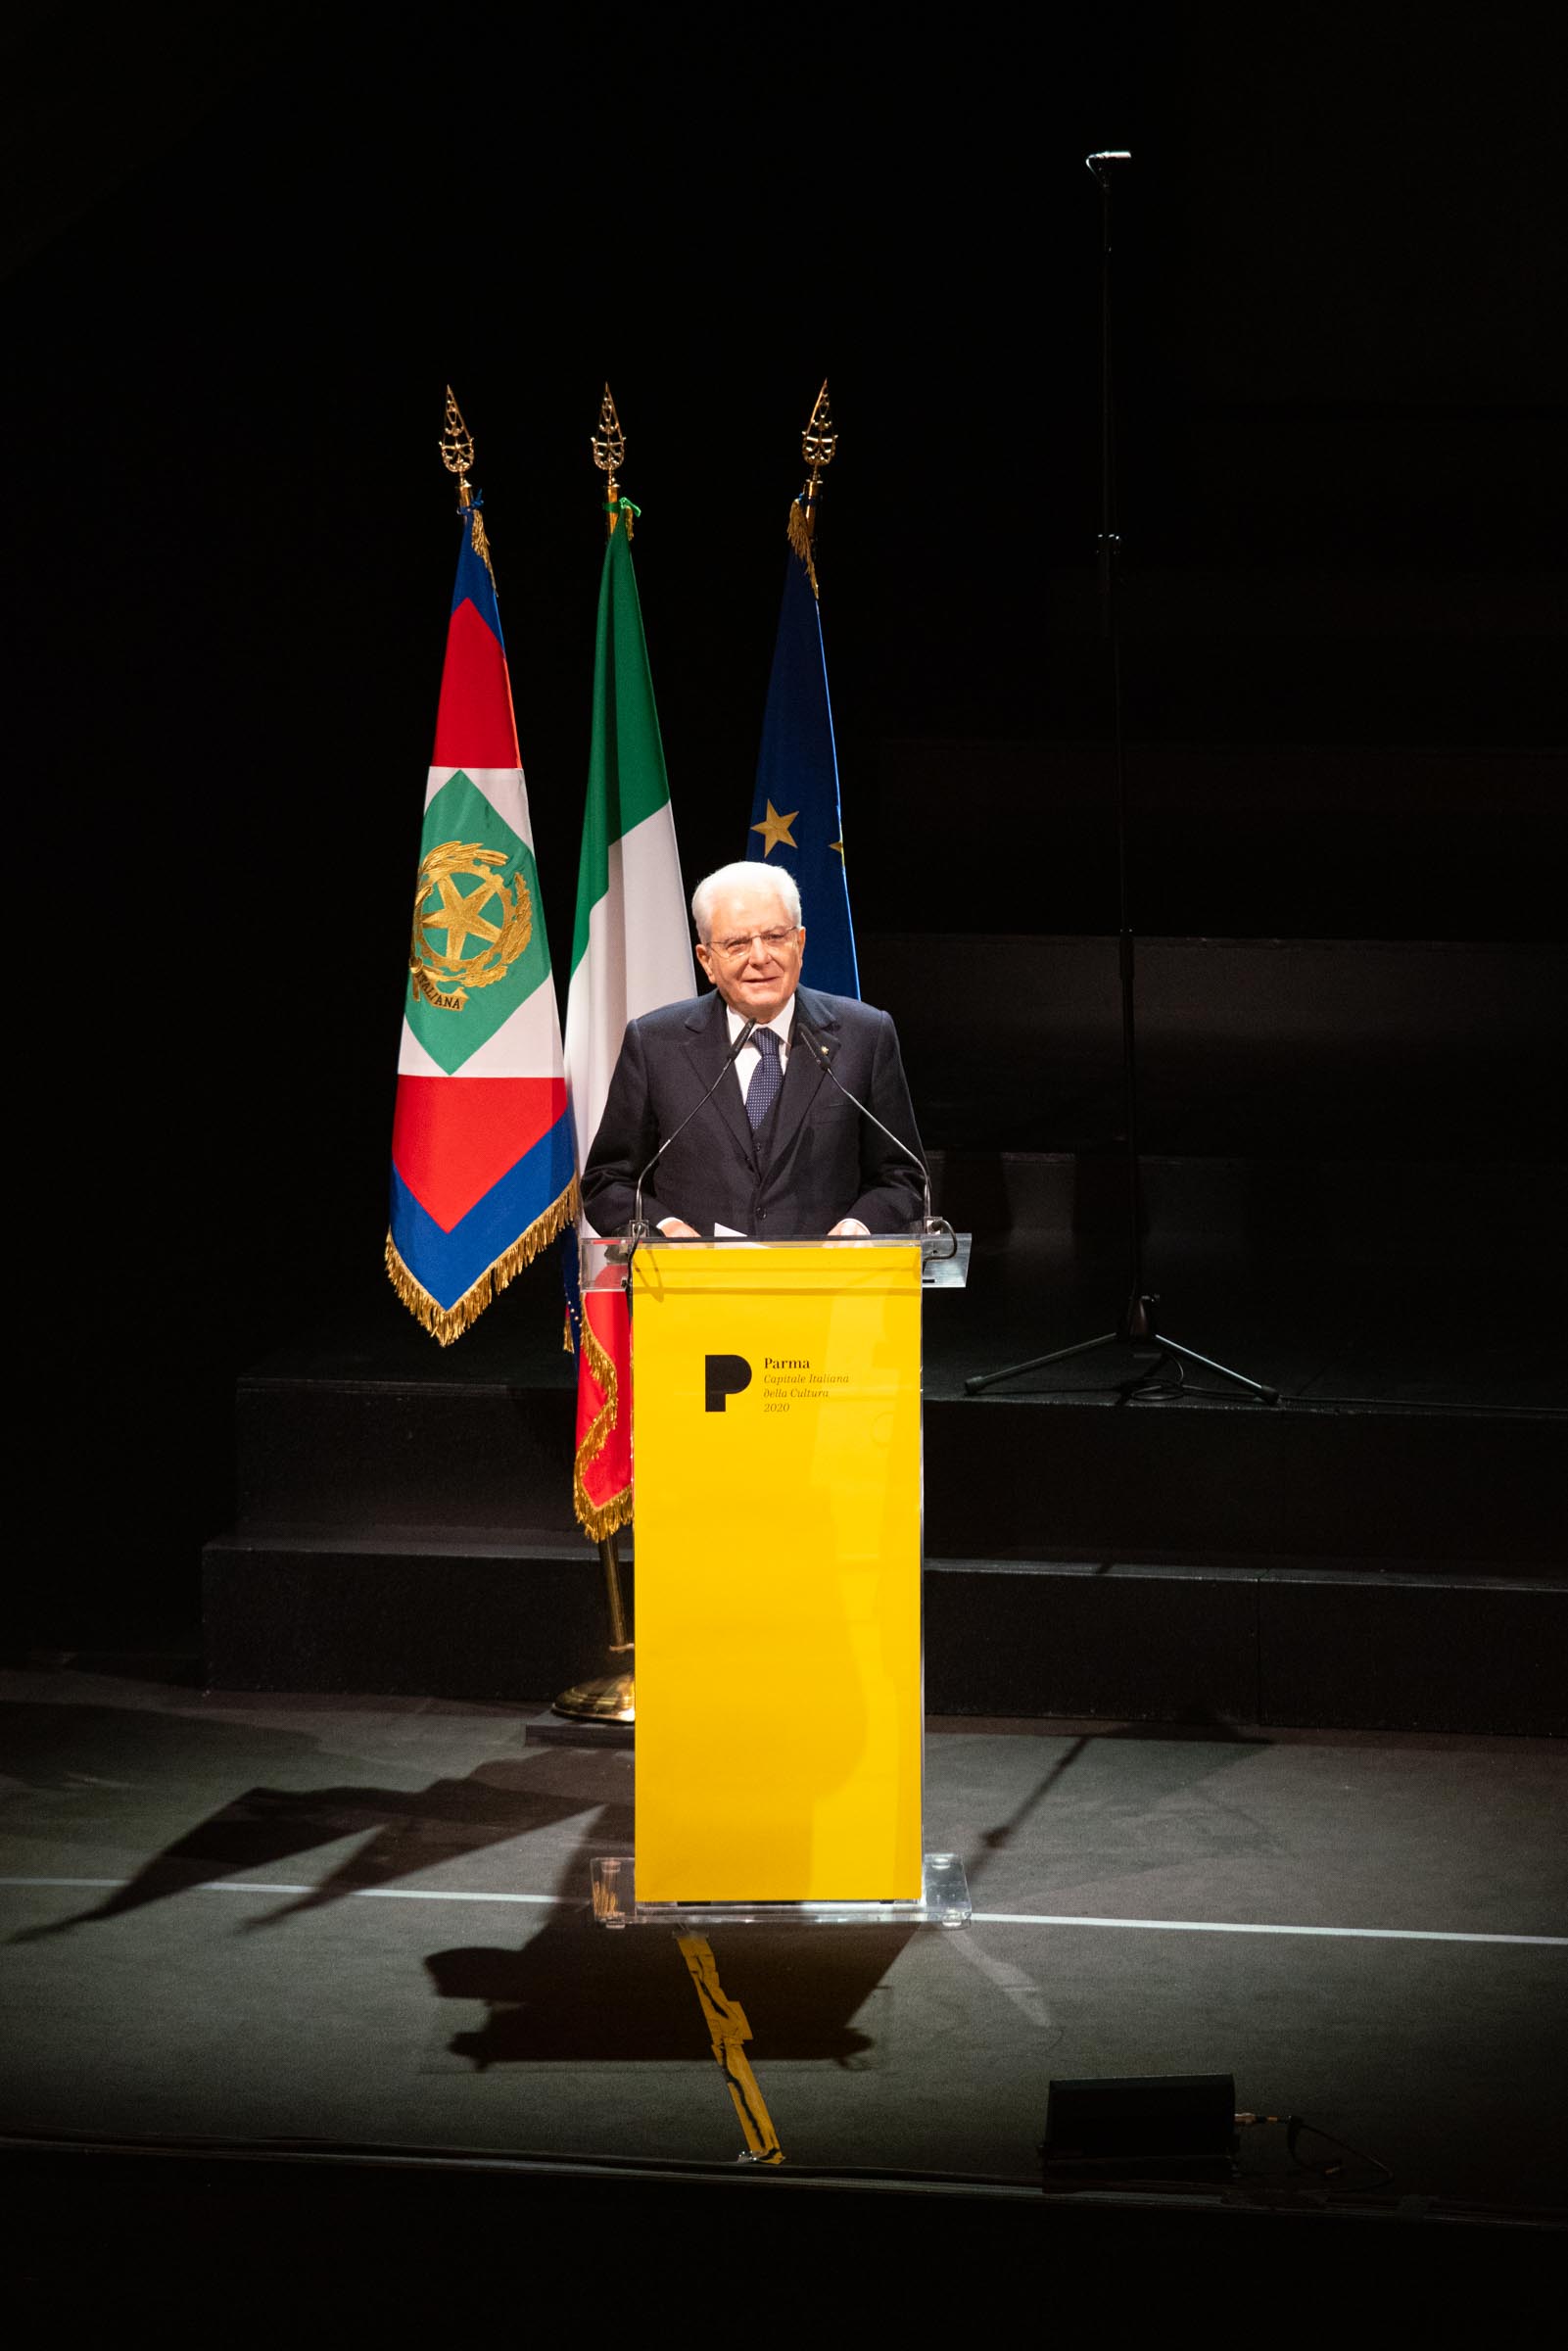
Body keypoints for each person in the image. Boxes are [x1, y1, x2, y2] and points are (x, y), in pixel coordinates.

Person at [581, 861, 925, 1238]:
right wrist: (664, 1230)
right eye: (736, 944)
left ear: (800, 943)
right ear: (707, 961)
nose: (760, 957)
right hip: (696, 1289)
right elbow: (608, 1180)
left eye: (775, 936)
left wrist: (859, 1227)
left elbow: (902, 1176)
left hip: (829, 1288)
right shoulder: (655, 1043)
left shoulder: (865, 1035)